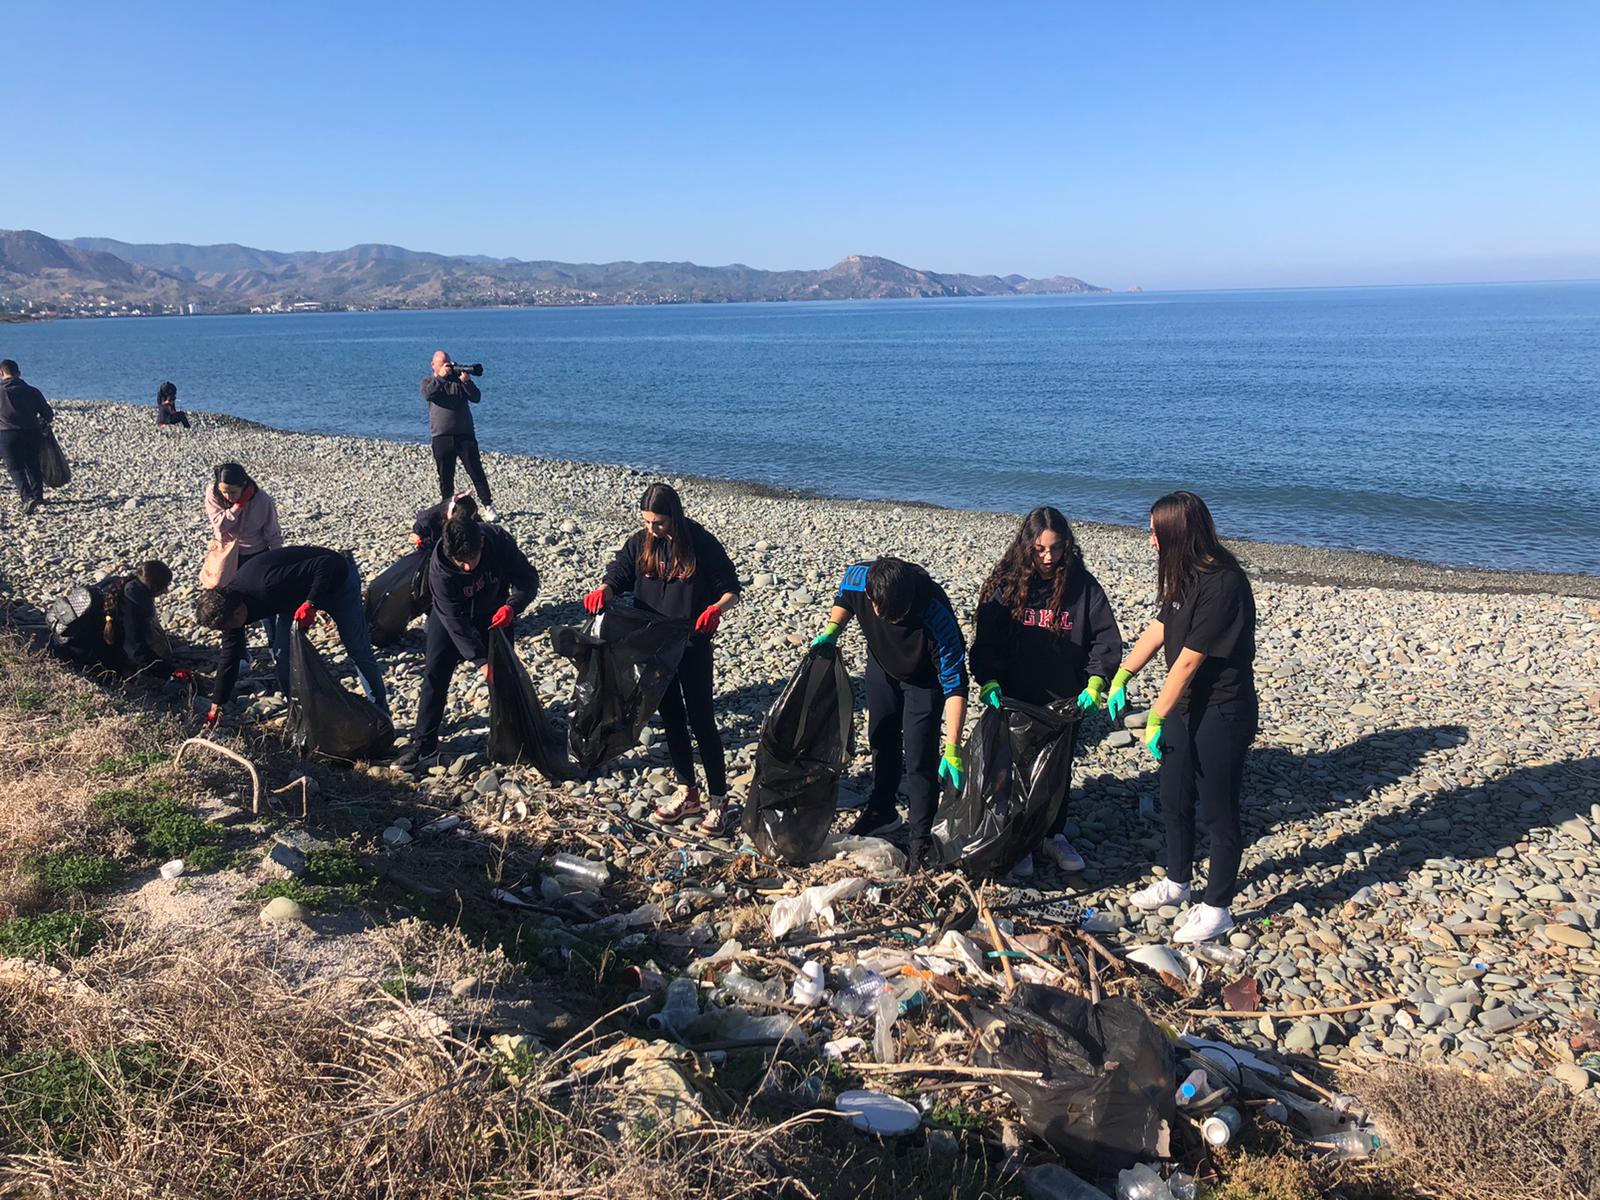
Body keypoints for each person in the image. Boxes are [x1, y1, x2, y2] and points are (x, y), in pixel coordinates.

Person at [1108, 491, 1258, 944]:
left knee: (1218, 810)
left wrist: (1155, 715)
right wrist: (1122, 673)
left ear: (1177, 535)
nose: (1149, 538)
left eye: (1155, 531)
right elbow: (1161, 628)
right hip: (1184, 707)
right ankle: (1177, 881)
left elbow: (1189, 661)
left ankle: (1218, 908)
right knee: (1174, 797)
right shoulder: (1183, 574)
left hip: (1221, 710)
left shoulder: (1224, 583)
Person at [969, 507, 1122, 878]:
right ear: (1027, 547)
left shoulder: (1082, 587)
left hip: (1063, 698)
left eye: (1055, 549)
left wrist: (1097, 681)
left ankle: (1053, 834)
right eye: (1039, 550)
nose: (1048, 558)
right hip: (1016, 695)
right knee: (1014, 770)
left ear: (1067, 546)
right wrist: (988, 678)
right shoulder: (1006, 584)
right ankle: (1019, 838)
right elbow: (986, 639)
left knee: (1056, 772)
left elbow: (1105, 637)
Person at [584, 483, 742, 832]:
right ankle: (688, 792)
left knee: (701, 719)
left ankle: (719, 800)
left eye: (659, 523)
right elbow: (620, 576)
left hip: (691, 643)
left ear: (674, 517)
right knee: (671, 716)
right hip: (653, 644)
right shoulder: (641, 543)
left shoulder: (700, 543)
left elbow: (731, 589)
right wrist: (605, 591)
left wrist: (716, 609)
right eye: (646, 522)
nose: (652, 530)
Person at [811, 557, 968, 870]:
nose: (891, 619)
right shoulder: (858, 578)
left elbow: (955, 684)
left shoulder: (935, 611)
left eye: (900, 615)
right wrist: (832, 630)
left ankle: (920, 839)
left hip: (925, 682)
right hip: (882, 667)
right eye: (885, 613)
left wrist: (953, 748)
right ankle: (883, 810)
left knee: (921, 757)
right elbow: (844, 597)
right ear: (871, 598)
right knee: (881, 737)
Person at [394, 515, 540, 769]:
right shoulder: (440, 569)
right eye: (460, 562)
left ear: (481, 543)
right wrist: (481, 661)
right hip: (450, 615)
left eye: (471, 559)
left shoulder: (499, 542)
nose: (467, 569)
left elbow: (528, 580)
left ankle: (511, 736)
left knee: (504, 675)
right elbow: (455, 623)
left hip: (494, 611)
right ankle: (423, 742)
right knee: (435, 673)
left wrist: (513, 607)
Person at [193, 546, 389, 726]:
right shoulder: (229, 611)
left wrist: (311, 603)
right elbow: (229, 658)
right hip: (292, 598)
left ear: (237, 613)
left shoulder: (266, 584)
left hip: (338, 581)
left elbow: (326, 563)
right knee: (282, 653)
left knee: (357, 649)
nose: (231, 630)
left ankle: (381, 713)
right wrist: (217, 703)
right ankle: (299, 714)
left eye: (229, 626)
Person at [49, 561, 180, 678]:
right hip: (79, 654)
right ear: (155, 587)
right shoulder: (134, 604)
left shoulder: (117, 582)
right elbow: (134, 649)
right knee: (129, 668)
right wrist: (167, 671)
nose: (166, 591)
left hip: (60, 642)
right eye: (165, 587)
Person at [421, 350, 496, 521]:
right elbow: (428, 394)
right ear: (434, 365)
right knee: (446, 476)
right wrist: (440, 377)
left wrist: (466, 383)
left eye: (449, 362)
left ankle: (488, 506)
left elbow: (476, 397)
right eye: (443, 363)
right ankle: (447, 508)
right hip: (441, 436)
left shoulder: (459, 382)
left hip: (465, 435)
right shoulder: (429, 382)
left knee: (476, 471)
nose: (448, 366)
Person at [204, 463, 284, 579]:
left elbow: (273, 533)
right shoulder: (213, 493)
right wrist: (239, 505)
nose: (228, 496)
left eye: (233, 492)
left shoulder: (262, 500)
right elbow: (220, 525)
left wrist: (278, 560)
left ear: (243, 485)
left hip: (254, 554)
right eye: (224, 492)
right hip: (224, 551)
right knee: (220, 586)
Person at [0, 358, 54, 516]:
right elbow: (48, 415)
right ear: (19, 373)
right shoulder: (32, 391)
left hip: (6, 434)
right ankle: (38, 497)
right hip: (32, 432)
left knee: (15, 468)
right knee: (33, 464)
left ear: (2, 374)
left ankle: (27, 497)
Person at [411, 492, 478, 552]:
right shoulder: (428, 519)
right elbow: (418, 534)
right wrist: (421, 542)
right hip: (433, 543)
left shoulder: (465, 509)